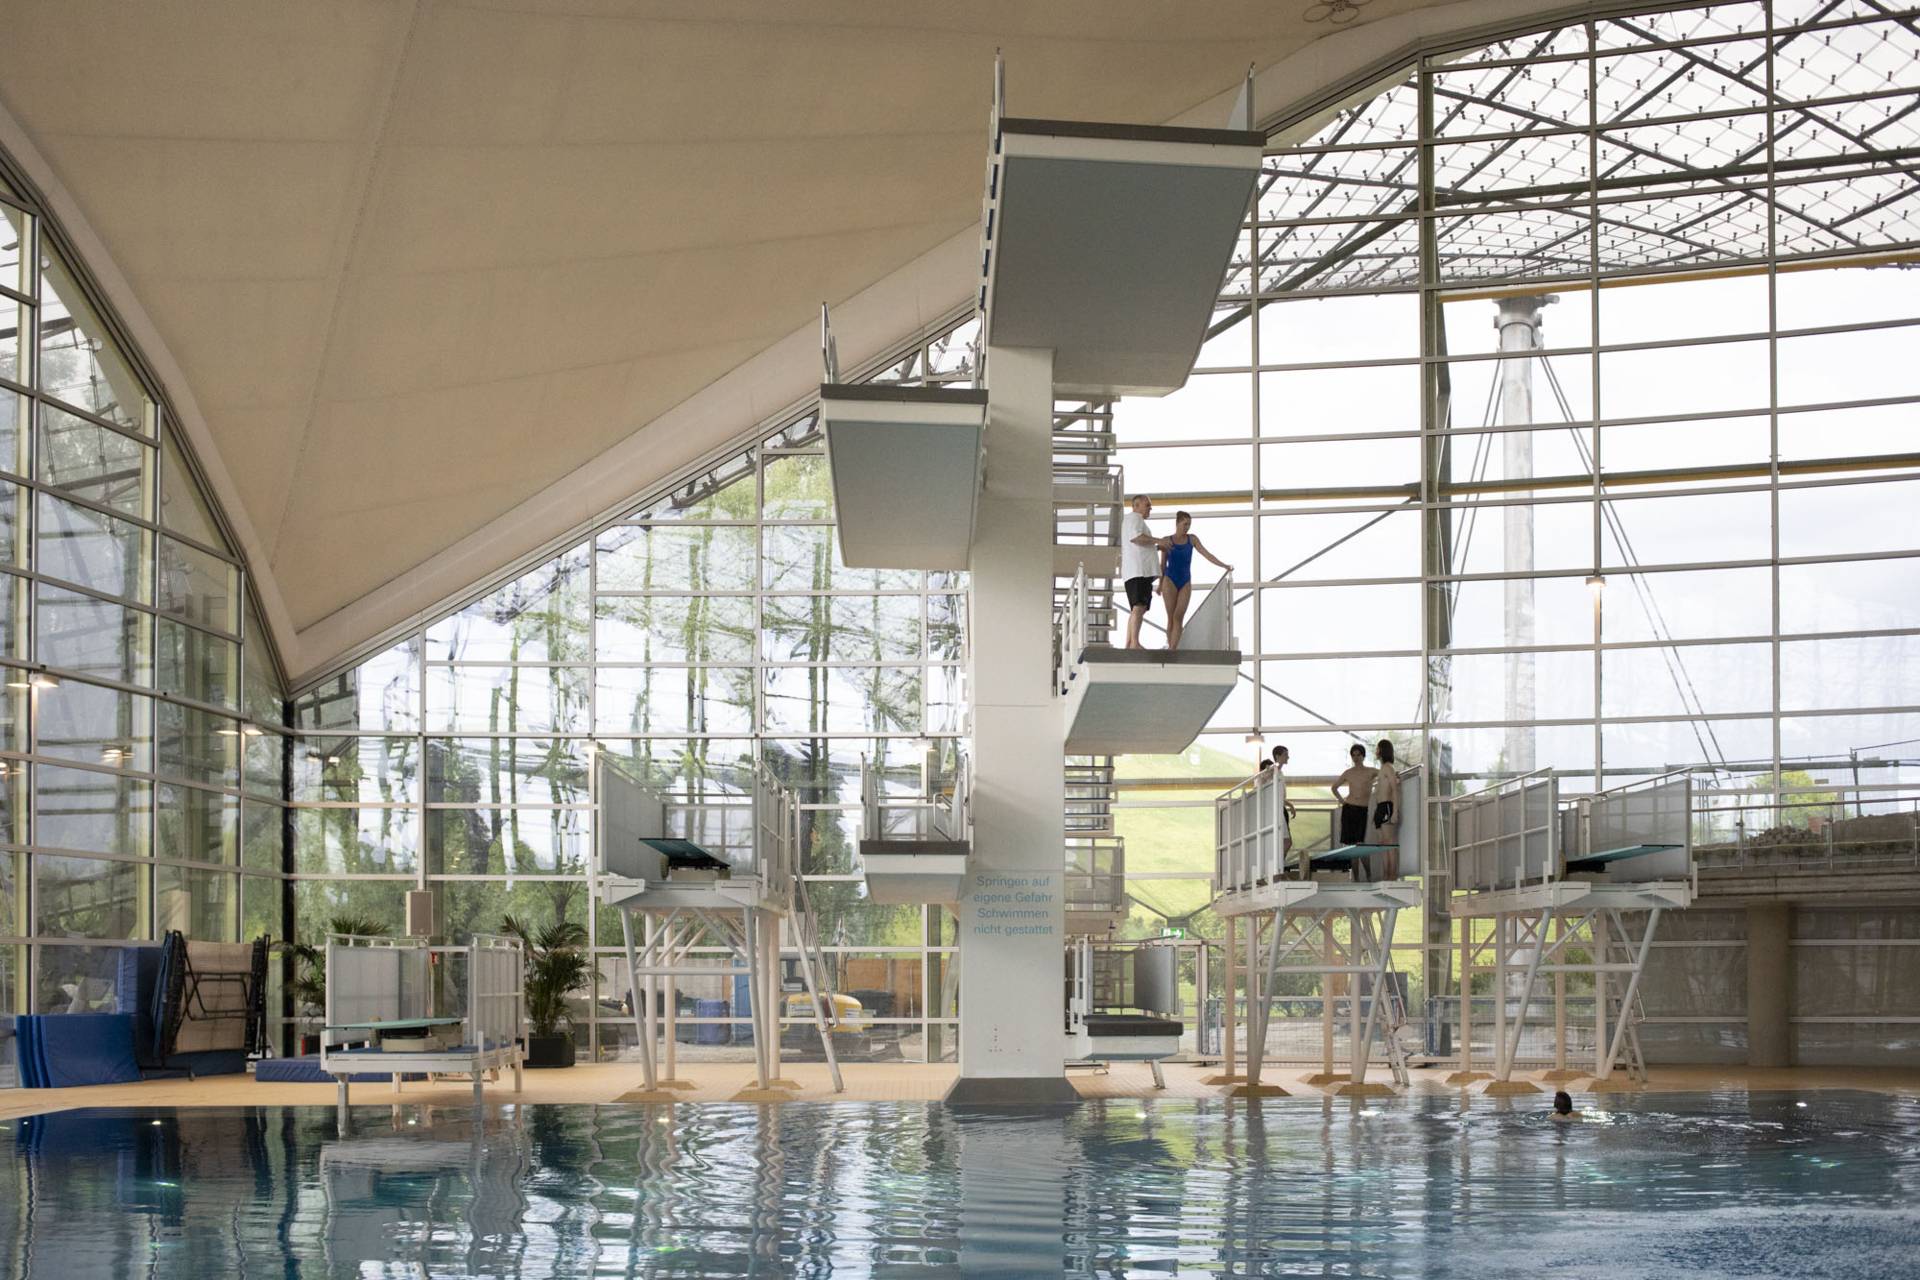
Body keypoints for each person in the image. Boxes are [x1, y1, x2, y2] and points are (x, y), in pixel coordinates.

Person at [1157, 511, 1232, 651]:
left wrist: (1224, 565)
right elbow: (1162, 564)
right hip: (1169, 579)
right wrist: (1160, 584)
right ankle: (1171, 648)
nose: (1187, 527)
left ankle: (1172, 649)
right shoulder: (1167, 540)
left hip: (1185, 580)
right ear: (1177, 523)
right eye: (1185, 524)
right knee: (1171, 616)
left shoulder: (1192, 539)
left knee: (1178, 616)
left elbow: (1207, 554)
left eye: (1189, 524)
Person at [1120, 495, 1166, 650]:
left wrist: (1156, 546)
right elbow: (1137, 538)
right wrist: (1158, 540)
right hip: (1138, 571)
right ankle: (1134, 642)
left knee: (1137, 608)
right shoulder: (1135, 519)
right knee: (1139, 606)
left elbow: (1140, 543)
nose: (1150, 509)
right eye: (1147, 505)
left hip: (1136, 572)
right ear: (1137, 505)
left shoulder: (1131, 521)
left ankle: (1130, 642)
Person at [1331, 743, 1376, 850]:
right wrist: (1342, 801)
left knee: (1360, 843)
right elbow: (1334, 787)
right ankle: (1354, 867)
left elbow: (1384, 773)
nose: (1356, 758)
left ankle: (1367, 868)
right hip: (1349, 808)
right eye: (1354, 755)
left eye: (1358, 755)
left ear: (1363, 756)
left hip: (1362, 809)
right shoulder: (1348, 773)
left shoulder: (1370, 771)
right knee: (1350, 845)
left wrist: (1394, 773)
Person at [1368, 739, 1402, 879]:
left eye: (1377, 749)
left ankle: (1391, 877)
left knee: (1390, 844)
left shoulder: (1388, 767)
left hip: (1387, 806)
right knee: (1383, 844)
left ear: (1383, 750)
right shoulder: (1383, 769)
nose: (1376, 751)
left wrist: (1394, 812)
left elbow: (1394, 790)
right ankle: (1385, 877)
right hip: (1380, 808)